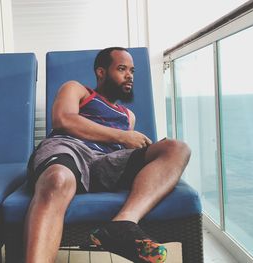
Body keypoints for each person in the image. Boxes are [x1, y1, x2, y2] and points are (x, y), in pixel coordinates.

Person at [24, 47, 191, 263]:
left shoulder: (129, 116)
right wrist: (122, 136)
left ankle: (122, 224)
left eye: (132, 70)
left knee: (177, 148)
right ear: (101, 72)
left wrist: (141, 151)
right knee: (57, 179)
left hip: (106, 162)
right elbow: (63, 119)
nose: (129, 75)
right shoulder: (76, 89)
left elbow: (125, 152)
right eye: (122, 68)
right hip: (69, 149)